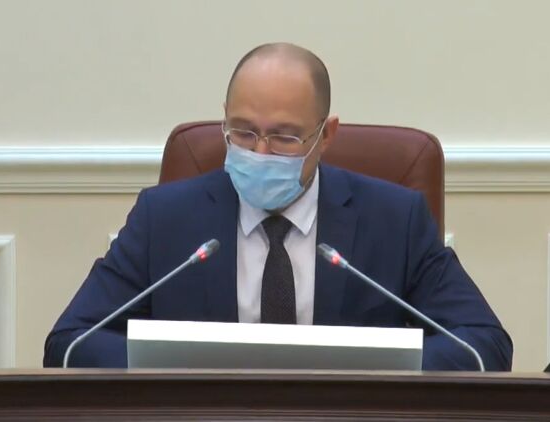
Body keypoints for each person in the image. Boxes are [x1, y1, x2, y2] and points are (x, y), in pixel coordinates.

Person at [44, 43, 513, 370]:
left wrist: (363, 372)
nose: (260, 152)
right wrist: (184, 369)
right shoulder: (164, 218)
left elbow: (484, 346)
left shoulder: (395, 219)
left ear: (325, 135)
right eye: (243, 132)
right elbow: (70, 342)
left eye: (284, 137)